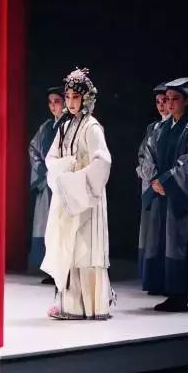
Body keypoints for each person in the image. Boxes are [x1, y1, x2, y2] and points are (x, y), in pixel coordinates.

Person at [42, 67, 115, 320]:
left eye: (76, 97)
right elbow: (51, 158)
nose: (71, 102)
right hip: (68, 196)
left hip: (86, 197)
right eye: (68, 97)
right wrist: (64, 169)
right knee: (69, 247)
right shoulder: (64, 126)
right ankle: (71, 306)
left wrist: (78, 175)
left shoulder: (92, 127)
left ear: (86, 98)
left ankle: (94, 306)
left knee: (85, 248)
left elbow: (102, 161)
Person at [136, 77, 188, 311]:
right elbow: (148, 155)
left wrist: (166, 180)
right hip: (160, 193)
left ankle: (180, 295)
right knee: (160, 240)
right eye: (166, 99)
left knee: (178, 241)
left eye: (175, 99)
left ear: (186, 101)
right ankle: (167, 290)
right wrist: (153, 180)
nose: (169, 103)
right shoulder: (159, 129)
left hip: (178, 195)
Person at [28, 86, 65, 284]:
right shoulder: (45, 127)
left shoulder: (70, 125)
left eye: (57, 101)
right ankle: (50, 270)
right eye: (50, 102)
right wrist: (42, 169)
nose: (53, 106)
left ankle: (64, 270)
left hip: (62, 184)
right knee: (46, 225)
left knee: (62, 226)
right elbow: (33, 149)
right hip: (46, 182)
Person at [136, 82, 170, 294]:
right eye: (158, 102)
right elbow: (143, 156)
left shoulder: (180, 128)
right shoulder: (153, 128)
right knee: (152, 233)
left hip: (168, 186)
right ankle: (154, 280)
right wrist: (150, 177)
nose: (161, 106)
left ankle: (169, 280)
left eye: (165, 101)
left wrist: (163, 180)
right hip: (152, 187)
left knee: (167, 235)